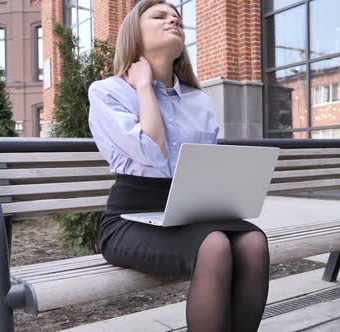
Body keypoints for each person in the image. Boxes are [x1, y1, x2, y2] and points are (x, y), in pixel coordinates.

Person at [87, 1, 269, 331]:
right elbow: (151, 151)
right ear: (134, 34)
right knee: (214, 245)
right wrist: (144, 87)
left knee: (253, 242)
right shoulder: (108, 92)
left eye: (178, 19)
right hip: (130, 220)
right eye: (159, 16)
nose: (173, 20)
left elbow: (205, 167)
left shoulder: (198, 100)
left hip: (188, 215)